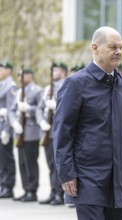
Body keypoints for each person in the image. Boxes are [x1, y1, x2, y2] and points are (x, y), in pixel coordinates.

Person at [53, 26, 122, 220]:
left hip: (117, 177)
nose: (118, 52)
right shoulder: (76, 84)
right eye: (113, 47)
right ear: (95, 48)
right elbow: (63, 133)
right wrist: (67, 173)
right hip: (88, 178)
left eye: (120, 47)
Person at [36, 61, 68, 205]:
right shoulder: (47, 89)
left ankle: (60, 193)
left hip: (60, 132)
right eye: (53, 70)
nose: (53, 73)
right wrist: (42, 121)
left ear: (63, 72)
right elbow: (39, 108)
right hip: (47, 132)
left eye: (56, 70)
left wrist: (56, 107)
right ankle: (53, 191)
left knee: (58, 165)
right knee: (50, 164)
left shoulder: (67, 85)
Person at [9, 68, 43, 202]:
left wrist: (29, 109)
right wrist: (14, 123)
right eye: (18, 76)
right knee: (22, 162)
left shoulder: (37, 90)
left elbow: (41, 108)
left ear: (30, 76)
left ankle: (32, 190)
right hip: (19, 132)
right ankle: (25, 189)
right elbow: (12, 110)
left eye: (22, 75)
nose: (19, 78)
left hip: (31, 132)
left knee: (31, 162)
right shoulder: (18, 92)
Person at [0, 61, 17, 198]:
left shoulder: (11, 87)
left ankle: (8, 186)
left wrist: (6, 129)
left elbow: (11, 110)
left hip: (5, 128)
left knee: (6, 158)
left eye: (2, 69)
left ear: (8, 70)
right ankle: (2, 184)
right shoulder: (2, 85)